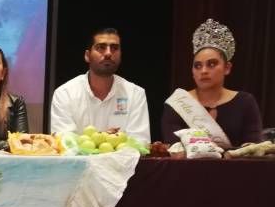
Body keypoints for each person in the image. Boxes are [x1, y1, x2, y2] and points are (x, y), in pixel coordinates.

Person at [161, 19, 262, 148]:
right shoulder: (177, 103)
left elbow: (253, 149)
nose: (203, 71)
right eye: (198, 66)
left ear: (227, 68)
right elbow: (174, 148)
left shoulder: (245, 102)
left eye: (212, 64)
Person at [50, 27, 150, 144]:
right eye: (101, 47)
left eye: (114, 48)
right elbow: (65, 143)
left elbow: (140, 142)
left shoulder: (135, 94)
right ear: (87, 56)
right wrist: (103, 139)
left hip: (122, 158)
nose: (108, 53)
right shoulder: (65, 94)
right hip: (83, 159)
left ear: (120, 55)